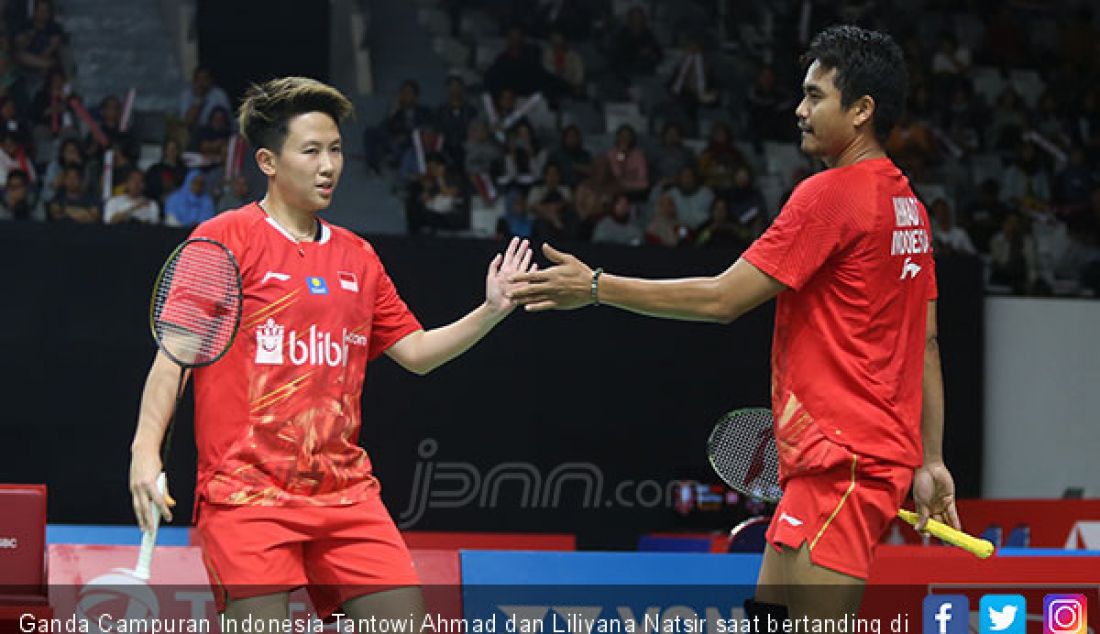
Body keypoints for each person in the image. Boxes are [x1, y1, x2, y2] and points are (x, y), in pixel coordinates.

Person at [508, 25, 959, 620]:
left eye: (816, 96)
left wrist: (595, 287)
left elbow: (723, 299)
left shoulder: (832, 196)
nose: (799, 110)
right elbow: (924, 342)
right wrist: (930, 460)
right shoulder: (910, 207)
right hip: (831, 465)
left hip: (844, 462)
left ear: (861, 111)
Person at [128, 77, 533, 626]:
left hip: (345, 496)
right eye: (312, 150)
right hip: (247, 496)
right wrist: (144, 453)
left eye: (337, 150)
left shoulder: (357, 257)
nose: (329, 166)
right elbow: (174, 359)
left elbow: (415, 352)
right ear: (268, 161)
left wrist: (491, 310)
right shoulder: (223, 240)